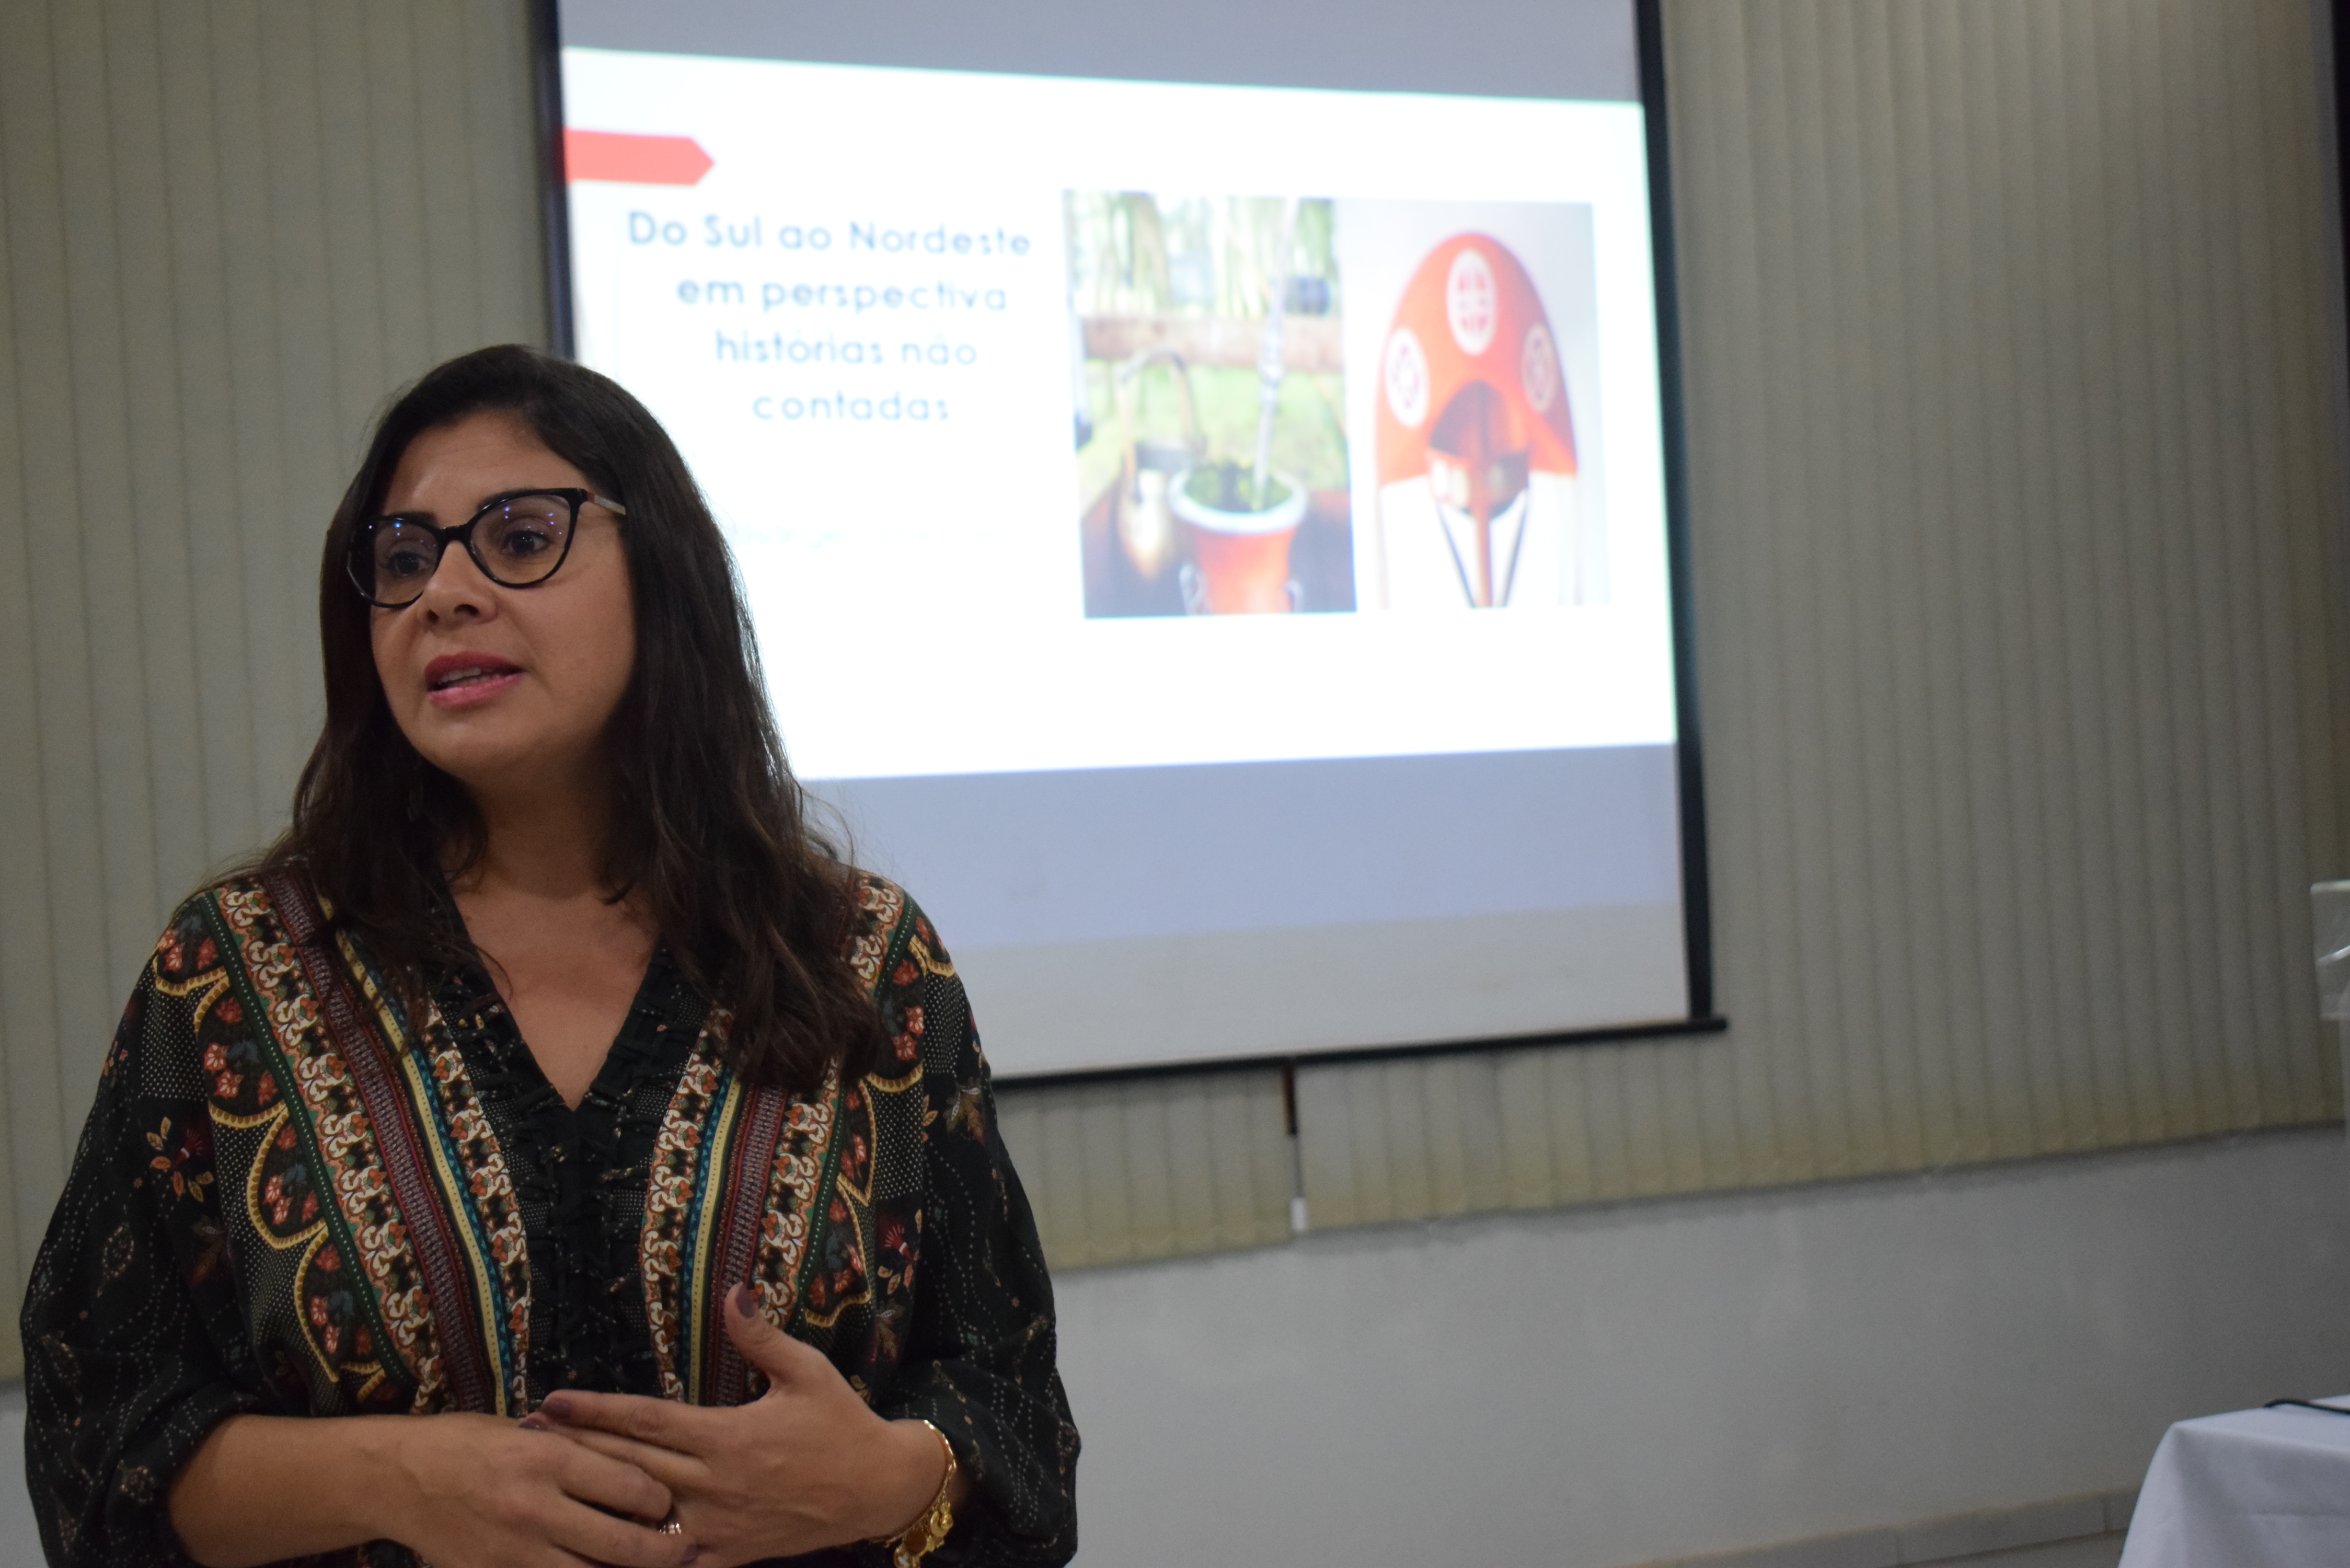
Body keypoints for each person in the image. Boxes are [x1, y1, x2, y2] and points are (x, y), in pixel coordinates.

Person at [20, 345, 1079, 1568]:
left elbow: (1015, 1414)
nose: (443, 593)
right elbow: (101, 1441)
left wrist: (886, 1480)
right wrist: (396, 1479)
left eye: (520, 538)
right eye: (403, 559)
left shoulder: (861, 961)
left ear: (661, 576)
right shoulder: (235, 975)